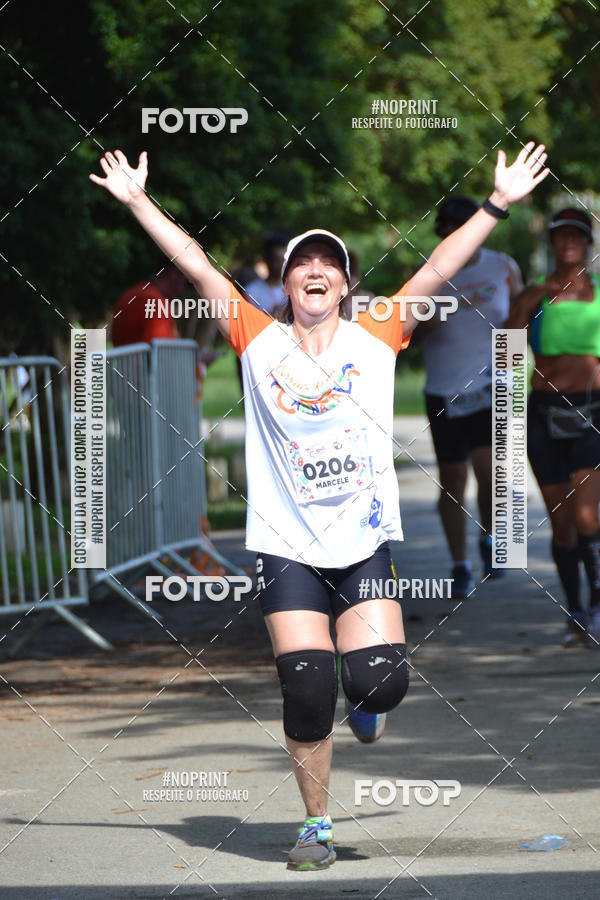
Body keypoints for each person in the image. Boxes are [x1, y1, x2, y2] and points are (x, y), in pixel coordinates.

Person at [90, 141, 549, 870]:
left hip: (360, 543)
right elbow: (199, 265)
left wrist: (497, 203)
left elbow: (438, 267)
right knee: (306, 690)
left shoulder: (377, 335)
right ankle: (316, 826)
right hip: (287, 546)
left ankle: (363, 697)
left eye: (328, 263)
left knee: (378, 683)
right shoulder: (256, 339)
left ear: (344, 283)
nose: (315, 270)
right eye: (303, 262)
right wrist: (139, 202)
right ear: (286, 283)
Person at [413, 197, 523, 598]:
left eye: (464, 225)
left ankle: (491, 538)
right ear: (442, 231)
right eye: (450, 227)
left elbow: (518, 321)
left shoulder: (503, 266)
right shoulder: (428, 272)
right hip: (444, 389)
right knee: (453, 480)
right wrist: (425, 320)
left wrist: (511, 375)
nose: (457, 233)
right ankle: (460, 564)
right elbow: (406, 336)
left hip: (491, 387)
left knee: (489, 471)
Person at [507, 208, 600, 648]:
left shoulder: (598, 295)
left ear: (588, 243)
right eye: (561, 235)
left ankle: (597, 603)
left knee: (587, 516)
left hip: (593, 413)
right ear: (552, 242)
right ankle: (575, 612)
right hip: (543, 414)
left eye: (576, 235)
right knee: (562, 523)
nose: (568, 242)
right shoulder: (536, 295)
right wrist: (525, 303)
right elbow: (506, 346)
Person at [110, 262, 188, 346]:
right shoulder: (155, 302)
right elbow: (161, 348)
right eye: (186, 280)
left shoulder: (131, 294)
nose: (184, 288)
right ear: (173, 274)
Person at [243, 230, 293, 316]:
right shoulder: (252, 291)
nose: (281, 265)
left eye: (284, 261)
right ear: (266, 259)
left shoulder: (296, 289)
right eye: (276, 260)